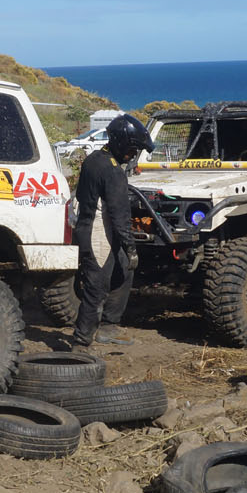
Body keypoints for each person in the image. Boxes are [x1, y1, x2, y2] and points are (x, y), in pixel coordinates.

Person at [72, 113, 153, 347]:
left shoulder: (94, 159)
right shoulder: (113, 171)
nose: (133, 155)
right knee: (96, 288)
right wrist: (131, 247)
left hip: (86, 227)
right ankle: (81, 342)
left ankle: (108, 327)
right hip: (99, 232)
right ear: (122, 145)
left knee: (124, 272)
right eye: (132, 150)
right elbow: (120, 216)